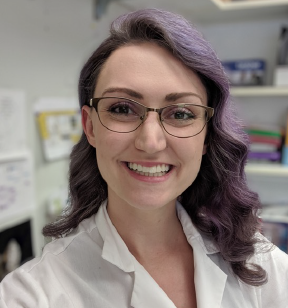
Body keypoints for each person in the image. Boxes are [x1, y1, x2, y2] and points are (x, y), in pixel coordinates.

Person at [1, 8, 287, 308]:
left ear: (206, 135)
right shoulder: (31, 294)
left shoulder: (261, 265)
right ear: (90, 127)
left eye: (181, 114)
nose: (150, 142)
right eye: (122, 109)